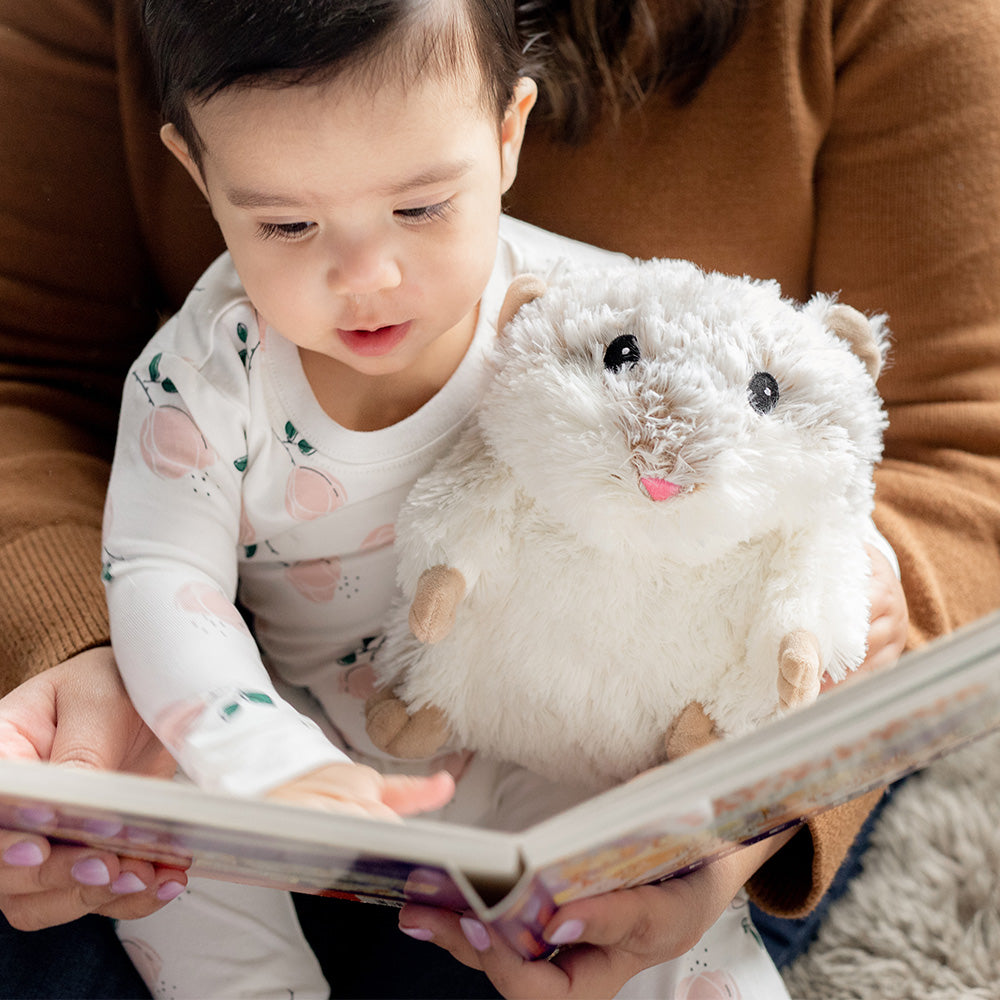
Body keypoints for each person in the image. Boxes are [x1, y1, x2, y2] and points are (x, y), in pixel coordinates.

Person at [0, 0, 993, 994]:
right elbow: (164, 576)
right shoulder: (204, 378)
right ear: (198, 170)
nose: (366, 275)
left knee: (654, 927)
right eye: (287, 224)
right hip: (269, 715)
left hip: (523, 718)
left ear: (507, 131)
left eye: (422, 208)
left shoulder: (574, 315)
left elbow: (815, 428)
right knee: (171, 870)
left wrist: (847, 569)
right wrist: (261, 760)